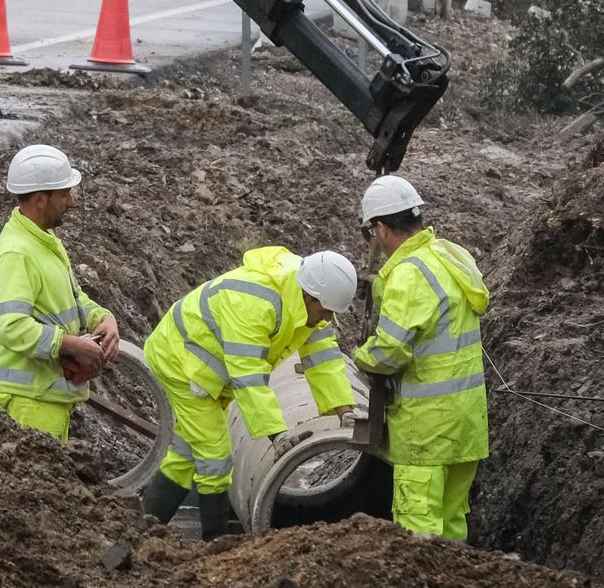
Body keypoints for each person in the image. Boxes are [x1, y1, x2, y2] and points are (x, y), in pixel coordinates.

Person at [138, 247, 358, 540]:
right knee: (215, 456)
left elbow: (324, 356)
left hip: (211, 368)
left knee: (187, 452)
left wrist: (344, 409)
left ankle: (142, 527)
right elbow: (248, 375)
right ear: (309, 296)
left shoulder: (312, 296)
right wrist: (276, 434)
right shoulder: (255, 303)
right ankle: (216, 542)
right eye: (326, 311)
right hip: (182, 361)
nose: (327, 319)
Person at [353, 174, 490, 541]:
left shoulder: (409, 275)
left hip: (426, 431)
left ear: (381, 228)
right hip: (466, 423)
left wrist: (359, 357)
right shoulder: (450, 255)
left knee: (418, 528)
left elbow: (389, 352)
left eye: (372, 232)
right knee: (452, 521)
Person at [0, 143, 121, 440]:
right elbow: (11, 326)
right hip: (27, 403)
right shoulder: (15, 253)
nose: (70, 202)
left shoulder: (44, 240)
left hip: (44, 398)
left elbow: (72, 297)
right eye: (64, 194)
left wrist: (103, 317)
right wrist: (70, 344)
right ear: (40, 200)